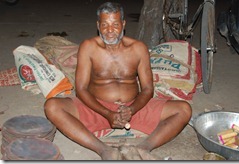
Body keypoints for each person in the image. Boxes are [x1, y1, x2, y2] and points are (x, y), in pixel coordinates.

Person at [44, 2, 192, 160]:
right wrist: (107, 113)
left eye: (115, 24)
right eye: (104, 25)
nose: (109, 31)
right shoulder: (89, 47)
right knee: (52, 106)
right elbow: (81, 89)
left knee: (183, 110)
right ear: (98, 25)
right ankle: (103, 150)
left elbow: (148, 89)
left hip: (134, 108)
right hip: (97, 107)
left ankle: (143, 148)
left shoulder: (138, 48)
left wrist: (132, 109)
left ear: (123, 24)